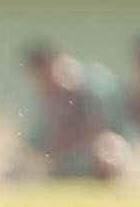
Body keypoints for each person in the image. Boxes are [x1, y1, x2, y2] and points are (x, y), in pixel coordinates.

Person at [9, 41, 132, 181]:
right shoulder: (47, 95)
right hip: (65, 161)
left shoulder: (93, 85)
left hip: (101, 153)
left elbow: (98, 132)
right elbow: (35, 144)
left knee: (109, 153)